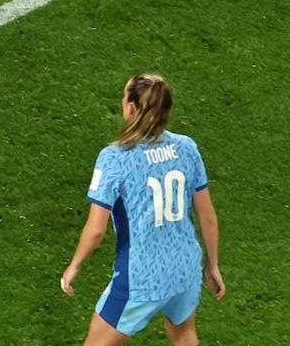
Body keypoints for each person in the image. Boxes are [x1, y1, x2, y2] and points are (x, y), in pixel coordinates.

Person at [59, 75, 226, 345]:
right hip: (185, 267)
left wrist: (74, 266)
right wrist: (213, 264)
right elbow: (207, 215)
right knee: (184, 336)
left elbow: (96, 230)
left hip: (141, 276)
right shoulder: (187, 148)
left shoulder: (115, 158)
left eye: (125, 96)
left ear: (132, 108)